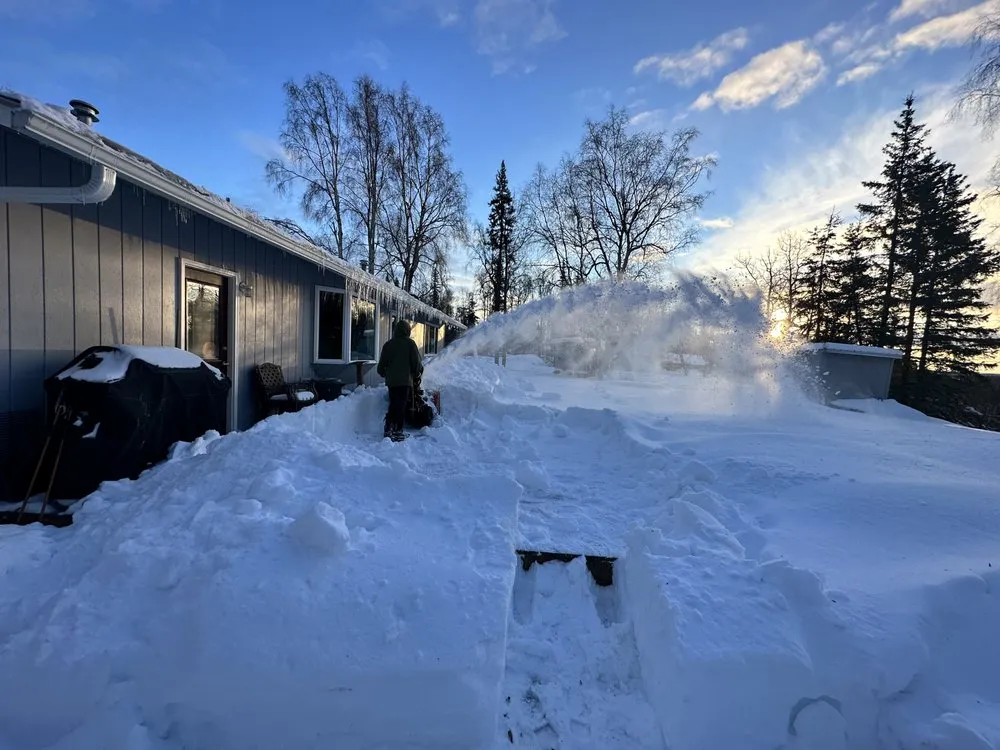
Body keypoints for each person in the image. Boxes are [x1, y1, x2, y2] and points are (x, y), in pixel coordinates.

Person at [376, 320, 423, 441]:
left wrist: (384, 373)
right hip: (405, 381)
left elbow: (381, 367)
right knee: (401, 405)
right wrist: (417, 373)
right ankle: (398, 430)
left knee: (394, 403)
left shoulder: (388, 344)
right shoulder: (410, 344)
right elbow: (416, 364)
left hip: (391, 382)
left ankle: (388, 427)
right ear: (408, 331)